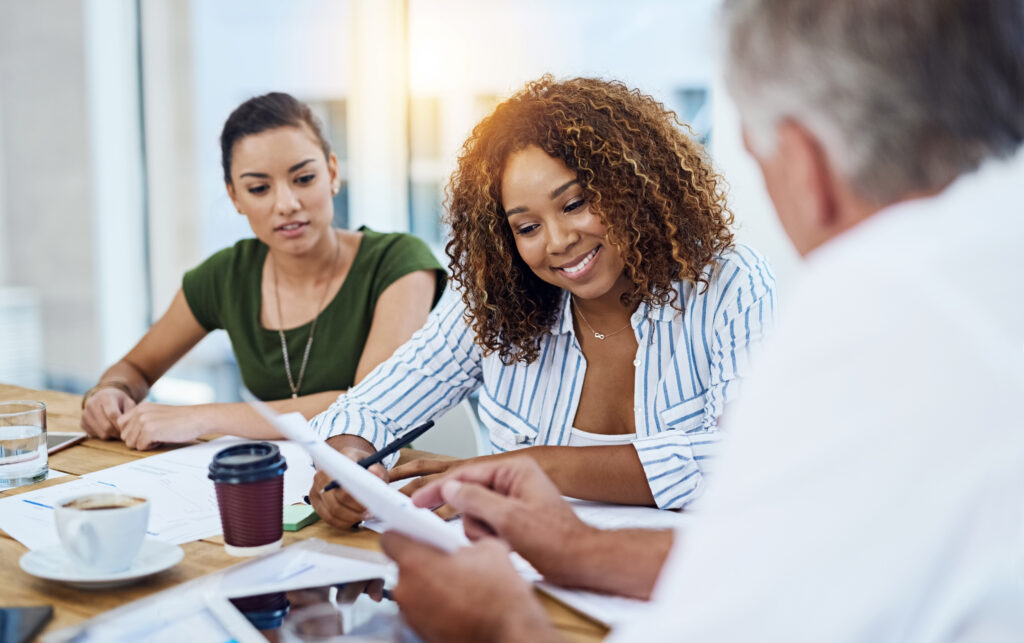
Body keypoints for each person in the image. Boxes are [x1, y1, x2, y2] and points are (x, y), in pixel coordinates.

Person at [375, 0, 1024, 640]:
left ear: (804, 164)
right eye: (526, 223)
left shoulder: (876, 313)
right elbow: (796, 558)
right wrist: (578, 548)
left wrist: (501, 625)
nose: (558, 239)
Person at [308, 76, 776, 527]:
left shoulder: (727, 285)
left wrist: (530, 467)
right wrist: (347, 463)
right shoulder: (498, 302)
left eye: (574, 204)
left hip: (681, 588)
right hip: (528, 581)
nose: (558, 241)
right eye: (527, 228)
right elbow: (365, 409)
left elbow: (749, 457)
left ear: (632, 188)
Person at [80, 92, 446, 450]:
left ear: (332, 173)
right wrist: (110, 391)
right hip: (271, 477)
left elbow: (369, 405)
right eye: (259, 188)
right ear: (235, 197)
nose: (286, 204)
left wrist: (203, 417)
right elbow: (134, 368)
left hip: (375, 480)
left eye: (303, 179)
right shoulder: (226, 275)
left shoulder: (398, 262)